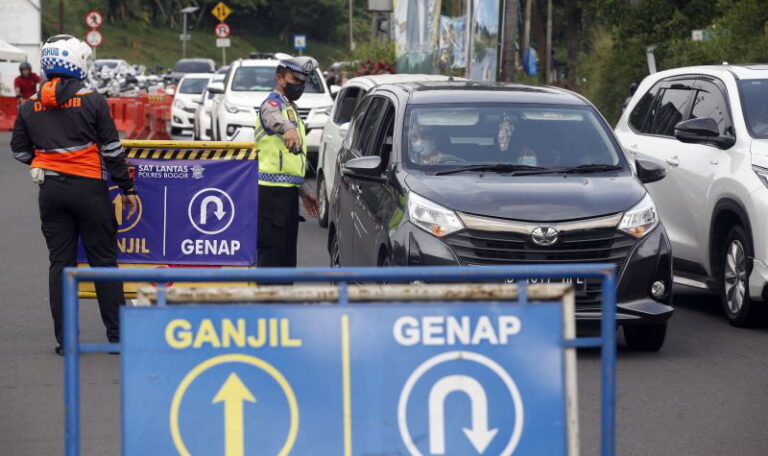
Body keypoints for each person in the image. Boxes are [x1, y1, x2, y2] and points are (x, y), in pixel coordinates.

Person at [10, 35, 138, 355]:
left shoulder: (29, 106)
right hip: (89, 191)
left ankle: (66, 341)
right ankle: (117, 337)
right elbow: (111, 150)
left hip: (51, 191)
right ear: (77, 62)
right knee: (104, 263)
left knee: (61, 265)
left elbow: (19, 151)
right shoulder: (93, 100)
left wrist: (45, 162)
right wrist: (127, 188)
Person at [254, 56, 320, 268]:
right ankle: (267, 300)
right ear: (280, 78)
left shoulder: (290, 107)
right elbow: (271, 117)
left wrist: (302, 191)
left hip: (287, 194)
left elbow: (290, 159)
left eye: (303, 82)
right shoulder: (272, 104)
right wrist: (288, 128)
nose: (299, 86)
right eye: (295, 79)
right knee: (271, 258)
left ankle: (284, 299)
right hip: (270, 195)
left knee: (286, 259)